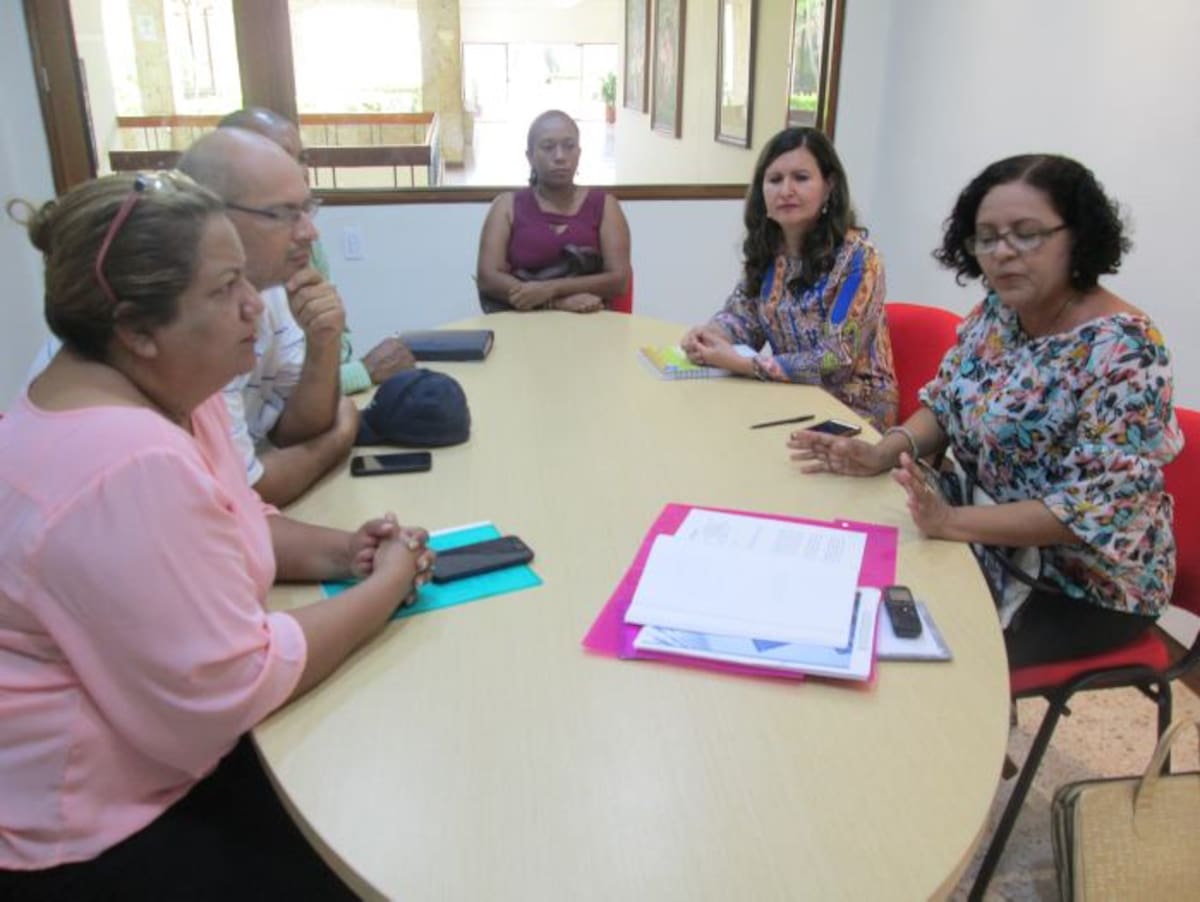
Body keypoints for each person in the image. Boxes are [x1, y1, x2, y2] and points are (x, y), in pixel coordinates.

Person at [0, 172, 434, 898]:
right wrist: (388, 586)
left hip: (149, 763)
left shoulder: (155, 394)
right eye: (227, 287)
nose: (254, 310)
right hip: (92, 832)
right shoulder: (124, 461)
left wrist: (340, 550)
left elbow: (232, 518)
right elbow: (232, 687)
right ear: (137, 328)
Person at [787, 154, 1182, 668]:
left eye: (1027, 234)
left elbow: (1090, 510)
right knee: (841, 576)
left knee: (915, 659)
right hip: (982, 530)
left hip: (1084, 582)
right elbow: (946, 402)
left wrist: (954, 522)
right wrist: (882, 452)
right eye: (988, 238)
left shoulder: (1127, 349)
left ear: (1078, 237)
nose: (1004, 253)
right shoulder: (998, 313)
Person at [177, 127, 356, 506]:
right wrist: (342, 434)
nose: (310, 232)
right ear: (211, 213)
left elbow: (295, 432)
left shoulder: (270, 285)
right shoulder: (180, 316)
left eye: (306, 210)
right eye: (284, 214)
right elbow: (247, 495)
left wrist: (323, 342)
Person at [680, 127, 897, 431]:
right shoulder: (768, 252)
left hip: (854, 409)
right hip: (787, 395)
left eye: (801, 178)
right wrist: (710, 335)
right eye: (775, 180)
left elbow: (836, 360)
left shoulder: (859, 259)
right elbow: (742, 319)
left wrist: (745, 364)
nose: (786, 190)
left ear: (829, 186)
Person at [217, 107, 416, 394]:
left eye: (303, 158)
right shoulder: (226, 292)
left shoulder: (306, 243)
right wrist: (362, 372)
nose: (300, 171)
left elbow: (334, 341)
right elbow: (281, 404)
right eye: (282, 156)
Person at [476, 109, 631, 313]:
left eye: (569, 146)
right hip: (520, 324)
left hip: (590, 322)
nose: (560, 157)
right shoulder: (506, 206)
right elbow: (487, 277)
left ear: (579, 153)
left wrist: (551, 288)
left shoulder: (605, 205)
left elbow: (619, 281)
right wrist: (556, 303)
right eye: (548, 147)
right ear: (529, 156)